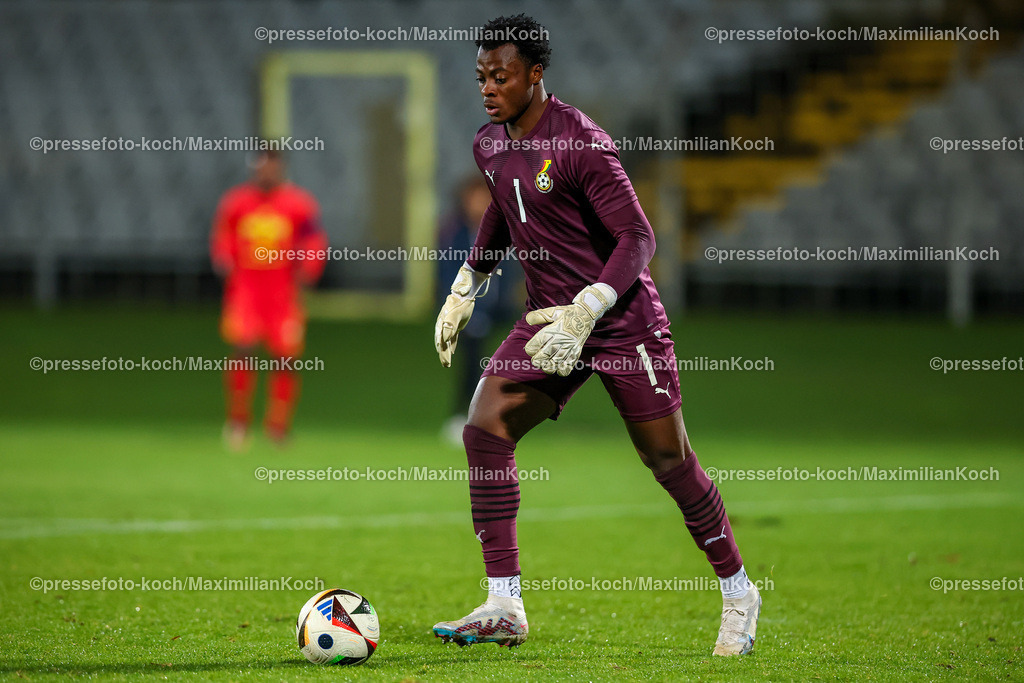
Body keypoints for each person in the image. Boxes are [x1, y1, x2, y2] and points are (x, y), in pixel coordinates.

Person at [432, 14, 760, 655]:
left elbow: (640, 237)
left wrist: (593, 306)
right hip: (549, 321)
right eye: (481, 76)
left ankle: (740, 592)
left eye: (501, 76)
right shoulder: (489, 145)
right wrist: (466, 284)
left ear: (535, 74)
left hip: (620, 322)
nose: (488, 87)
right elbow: (503, 206)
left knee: (667, 460)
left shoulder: (582, 142)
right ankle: (504, 603)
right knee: (484, 428)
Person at [210, 148, 327, 450]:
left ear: (281, 168)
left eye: (272, 167)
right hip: (246, 291)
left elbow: (313, 238)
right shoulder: (236, 202)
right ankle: (238, 422)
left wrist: (311, 265)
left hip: (282, 293)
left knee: (286, 358)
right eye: (262, 167)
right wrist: (223, 258)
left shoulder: (298, 204)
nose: (267, 173)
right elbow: (222, 236)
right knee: (243, 350)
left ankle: (278, 426)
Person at [437, 175, 522, 445]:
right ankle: (464, 417)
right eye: (474, 198)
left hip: (502, 311)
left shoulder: (506, 229)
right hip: (470, 313)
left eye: (485, 198)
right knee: (473, 366)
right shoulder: (455, 233)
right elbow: (447, 274)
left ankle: (507, 416)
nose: (479, 204)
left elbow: (511, 272)